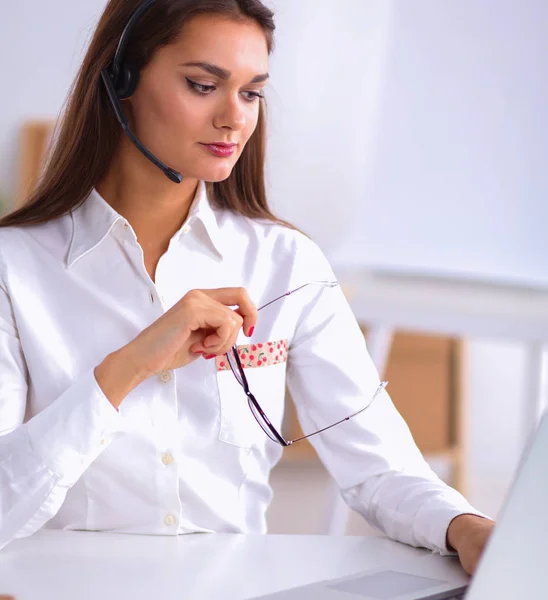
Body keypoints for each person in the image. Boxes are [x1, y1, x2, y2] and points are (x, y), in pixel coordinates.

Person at [0, 0, 493, 575]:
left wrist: (468, 528)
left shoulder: (288, 265)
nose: (234, 118)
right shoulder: (15, 268)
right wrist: (130, 366)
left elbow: (379, 468)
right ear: (121, 80)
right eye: (203, 84)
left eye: (251, 92)